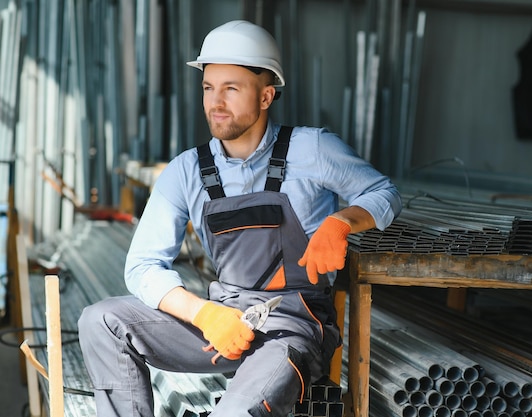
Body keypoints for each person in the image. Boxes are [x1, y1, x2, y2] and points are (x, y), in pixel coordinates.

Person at [78, 19, 402, 417]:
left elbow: (384, 192)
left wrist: (344, 221)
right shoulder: (186, 171)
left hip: (292, 329)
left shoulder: (313, 149)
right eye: (208, 88)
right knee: (101, 321)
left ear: (266, 96)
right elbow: (142, 265)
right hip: (226, 323)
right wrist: (205, 314)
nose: (216, 101)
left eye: (231, 89)